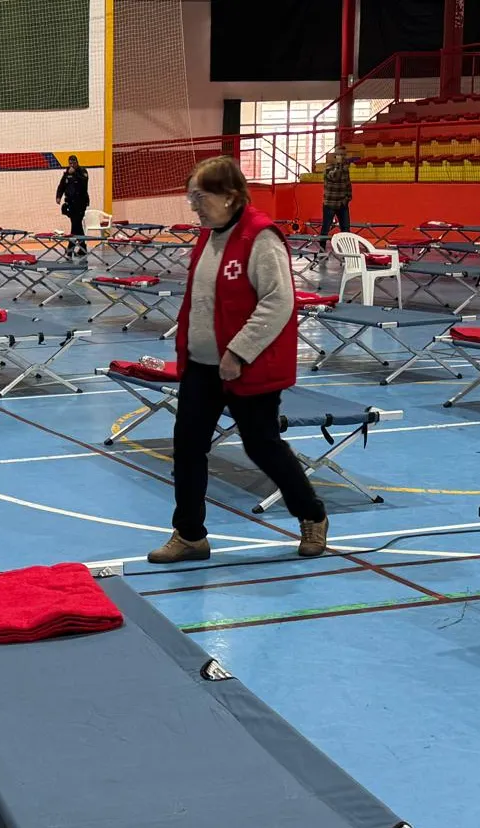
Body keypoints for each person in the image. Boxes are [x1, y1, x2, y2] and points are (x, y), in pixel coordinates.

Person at [147, 156, 328, 564]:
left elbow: (279, 301)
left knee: (261, 446)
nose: (194, 206)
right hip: (201, 366)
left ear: (229, 196)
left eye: (200, 197)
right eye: (191, 197)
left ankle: (312, 514)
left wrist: (238, 351)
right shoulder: (207, 236)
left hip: (247, 366)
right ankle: (190, 535)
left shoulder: (260, 238)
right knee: (187, 447)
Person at [55, 155, 90, 259]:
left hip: (80, 204)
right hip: (70, 204)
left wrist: (74, 173)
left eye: (73, 163)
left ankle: (70, 249)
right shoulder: (67, 173)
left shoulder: (82, 171)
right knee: (77, 226)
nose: (72, 165)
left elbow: (84, 184)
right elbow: (61, 185)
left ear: (77, 162)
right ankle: (83, 248)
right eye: (70, 163)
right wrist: (58, 196)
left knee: (75, 226)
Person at [320, 147, 353, 236]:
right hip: (330, 203)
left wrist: (348, 198)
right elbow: (335, 177)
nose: (343, 157)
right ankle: (322, 245)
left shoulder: (345, 169)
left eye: (344, 155)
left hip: (342, 203)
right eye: (340, 155)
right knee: (326, 228)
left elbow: (348, 184)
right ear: (335, 156)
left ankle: (345, 245)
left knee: (346, 228)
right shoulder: (328, 168)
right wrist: (339, 164)